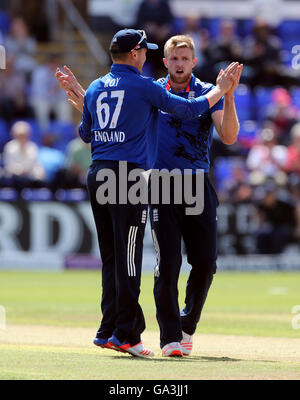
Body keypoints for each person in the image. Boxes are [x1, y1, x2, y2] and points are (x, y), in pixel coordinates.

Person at [56, 31, 242, 357]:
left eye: (185, 58)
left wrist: (85, 97)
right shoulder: (148, 87)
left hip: (151, 178)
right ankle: (147, 336)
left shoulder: (105, 87)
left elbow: (89, 131)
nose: (178, 63)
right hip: (144, 179)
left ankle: (140, 327)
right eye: (171, 57)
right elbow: (162, 111)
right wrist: (222, 90)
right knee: (149, 262)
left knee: (186, 263)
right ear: (150, 57)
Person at [3, 120, 45, 190]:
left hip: (30, 178)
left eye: (24, 135)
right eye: (20, 135)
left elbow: (35, 165)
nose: (22, 138)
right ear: (14, 135)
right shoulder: (9, 147)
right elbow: (9, 166)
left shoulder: (32, 147)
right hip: (14, 179)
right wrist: (20, 170)